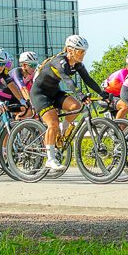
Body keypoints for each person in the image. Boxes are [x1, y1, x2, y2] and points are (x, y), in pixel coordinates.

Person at [30, 35, 107, 171]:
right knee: (53, 123)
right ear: (70, 50)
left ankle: (63, 131)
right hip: (40, 94)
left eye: (84, 51)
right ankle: (50, 159)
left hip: (54, 92)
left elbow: (88, 80)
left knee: (76, 106)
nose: (83, 54)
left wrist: (103, 94)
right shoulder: (59, 61)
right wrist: (80, 94)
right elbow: (67, 80)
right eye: (80, 51)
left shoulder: (77, 64)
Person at [103, 52, 128, 120]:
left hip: (117, 97)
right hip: (107, 97)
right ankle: (116, 125)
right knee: (126, 106)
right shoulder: (123, 73)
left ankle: (119, 125)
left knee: (124, 124)